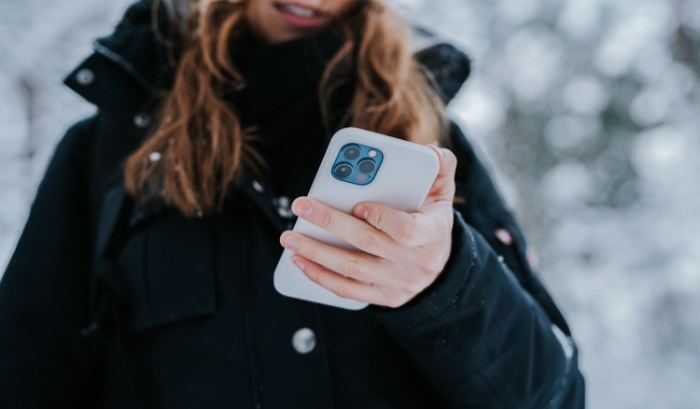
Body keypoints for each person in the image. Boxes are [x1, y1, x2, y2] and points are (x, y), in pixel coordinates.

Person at [0, 0, 585, 407]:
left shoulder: (431, 146)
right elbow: (25, 378)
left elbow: (555, 394)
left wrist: (443, 284)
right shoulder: (106, 150)